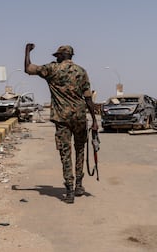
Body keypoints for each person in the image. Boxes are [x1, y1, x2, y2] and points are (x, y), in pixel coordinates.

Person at [24, 43, 98, 204]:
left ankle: (69, 189)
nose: (56, 58)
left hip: (62, 119)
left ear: (61, 56)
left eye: (57, 55)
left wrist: (27, 51)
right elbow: (88, 99)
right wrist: (94, 121)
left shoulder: (52, 69)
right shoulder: (81, 71)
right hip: (79, 117)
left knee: (65, 153)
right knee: (80, 150)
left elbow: (28, 68)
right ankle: (79, 185)